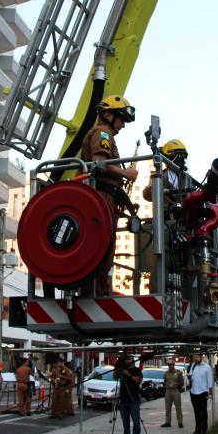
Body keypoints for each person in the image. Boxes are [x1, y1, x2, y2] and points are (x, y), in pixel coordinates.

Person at [79, 94, 138, 297]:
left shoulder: (106, 134)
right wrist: (125, 173)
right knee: (101, 249)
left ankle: (100, 291)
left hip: (107, 198)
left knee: (105, 250)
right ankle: (95, 294)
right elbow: (98, 162)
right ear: (107, 114)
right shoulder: (102, 132)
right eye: (120, 118)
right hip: (101, 197)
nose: (122, 125)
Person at [115, 354, 143, 434]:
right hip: (123, 399)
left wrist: (128, 374)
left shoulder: (137, 370)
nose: (126, 360)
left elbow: (138, 380)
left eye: (128, 359)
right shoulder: (122, 370)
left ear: (132, 361)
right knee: (125, 420)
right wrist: (117, 368)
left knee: (135, 419)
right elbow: (115, 377)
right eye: (125, 359)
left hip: (133, 399)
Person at [187, 352, 214, 434]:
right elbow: (190, 375)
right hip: (193, 392)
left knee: (203, 412)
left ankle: (204, 430)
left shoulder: (207, 367)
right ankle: (197, 430)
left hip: (203, 392)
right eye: (195, 357)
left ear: (201, 357)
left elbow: (210, 380)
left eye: (197, 357)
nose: (196, 359)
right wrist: (189, 376)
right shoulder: (193, 366)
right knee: (196, 412)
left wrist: (210, 392)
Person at [161, 359, 184, 428]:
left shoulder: (178, 373)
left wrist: (178, 386)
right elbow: (164, 381)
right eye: (168, 365)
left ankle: (180, 422)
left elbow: (182, 382)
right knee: (167, 407)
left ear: (173, 365)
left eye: (170, 365)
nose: (169, 366)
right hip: (168, 391)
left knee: (178, 407)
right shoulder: (166, 373)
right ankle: (167, 422)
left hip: (175, 390)